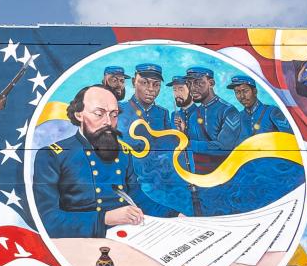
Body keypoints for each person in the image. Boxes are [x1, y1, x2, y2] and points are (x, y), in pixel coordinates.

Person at [33, 85, 177, 238]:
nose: (108, 122)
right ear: (79, 115)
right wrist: (105, 218)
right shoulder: (53, 156)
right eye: (99, 114)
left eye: (114, 115)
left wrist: (175, 216)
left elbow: (139, 199)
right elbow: (48, 220)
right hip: (81, 242)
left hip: (127, 236)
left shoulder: (122, 153)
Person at [181, 66, 245, 214]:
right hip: (197, 185)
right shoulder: (192, 115)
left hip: (224, 183)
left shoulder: (228, 111)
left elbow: (224, 147)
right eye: (190, 84)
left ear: (211, 82)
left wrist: (187, 144)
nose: (193, 88)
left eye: (198, 83)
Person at [118, 63, 170, 142]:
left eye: (156, 84)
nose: (151, 89)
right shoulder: (120, 109)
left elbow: (170, 142)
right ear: (133, 82)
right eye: (144, 83)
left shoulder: (163, 113)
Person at [227, 75, 291, 138]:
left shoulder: (272, 112)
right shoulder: (238, 118)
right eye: (237, 92)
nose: (242, 96)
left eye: (245, 91)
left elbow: (290, 137)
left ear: (255, 91)